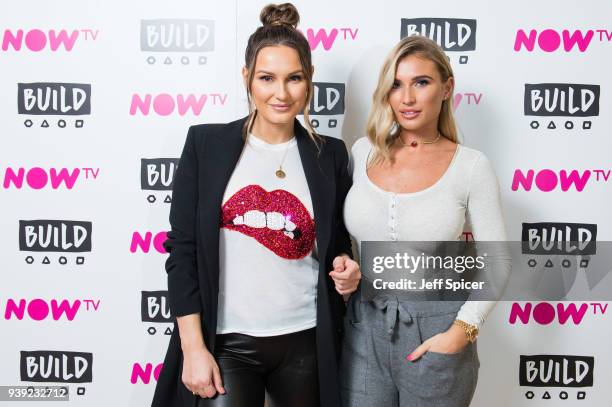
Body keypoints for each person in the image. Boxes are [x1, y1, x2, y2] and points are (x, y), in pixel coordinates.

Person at [151, 3, 361, 407]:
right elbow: (182, 252)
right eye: (267, 78)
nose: (281, 94)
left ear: (309, 80)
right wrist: (193, 349)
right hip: (227, 341)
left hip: (307, 339)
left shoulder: (329, 155)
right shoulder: (205, 145)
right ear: (247, 78)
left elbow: (337, 246)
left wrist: (347, 271)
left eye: (294, 78)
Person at [340, 35, 510, 407]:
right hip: (363, 329)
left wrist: (461, 332)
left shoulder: (471, 166)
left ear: (447, 88)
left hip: (438, 330)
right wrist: (346, 267)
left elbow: (497, 262)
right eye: (397, 84)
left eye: (422, 82)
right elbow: (346, 241)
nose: (407, 98)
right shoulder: (362, 151)